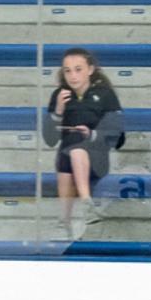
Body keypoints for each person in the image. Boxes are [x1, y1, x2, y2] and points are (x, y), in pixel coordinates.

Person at [42, 47, 125, 239]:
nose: (73, 76)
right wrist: (58, 112)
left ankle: (66, 219)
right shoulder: (59, 95)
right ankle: (75, 215)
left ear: (90, 69)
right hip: (67, 158)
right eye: (68, 70)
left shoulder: (105, 95)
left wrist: (92, 134)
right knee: (70, 148)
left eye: (78, 69)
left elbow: (118, 137)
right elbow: (49, 139)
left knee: (76, 146)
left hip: (97, 157)